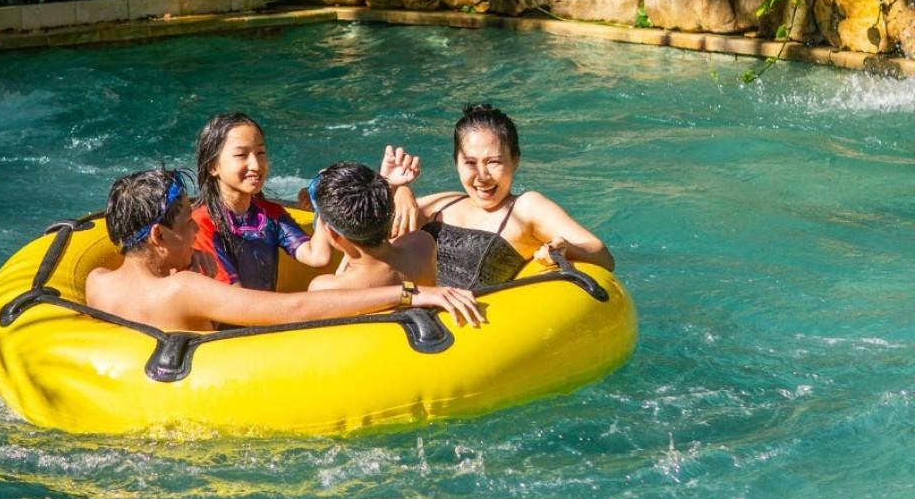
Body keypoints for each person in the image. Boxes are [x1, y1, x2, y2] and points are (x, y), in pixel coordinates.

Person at [85, 169, 484, 332]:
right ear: (158, 235)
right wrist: (410, 293)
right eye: (188, 221)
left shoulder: (97, 283)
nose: (196, 228)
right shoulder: (185, 288)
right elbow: (294, 311)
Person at [389, 104, 614, 288]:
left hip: (460, 328)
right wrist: (397, 189)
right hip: (408, 310)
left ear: (515, 160)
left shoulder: (526, 207)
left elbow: (603, 256)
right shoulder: (445, 202)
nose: (482, 176)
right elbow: (368, 241)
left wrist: (567, 248)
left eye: (493, 162)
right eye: (470, 163)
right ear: (456, 162)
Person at [190, 112, 333, 290]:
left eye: (260, 152)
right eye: (241, 155)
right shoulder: (202, 223)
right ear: (213, 166)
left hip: (266, 313)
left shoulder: (271, 214)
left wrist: (322, 202)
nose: (256, 165)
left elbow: (317, 256)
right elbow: (235, 298)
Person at [305, 161, 437, 292]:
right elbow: (383, 230)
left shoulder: (325, 288)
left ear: (332, 234)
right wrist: (395, 187)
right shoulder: (422, 244)